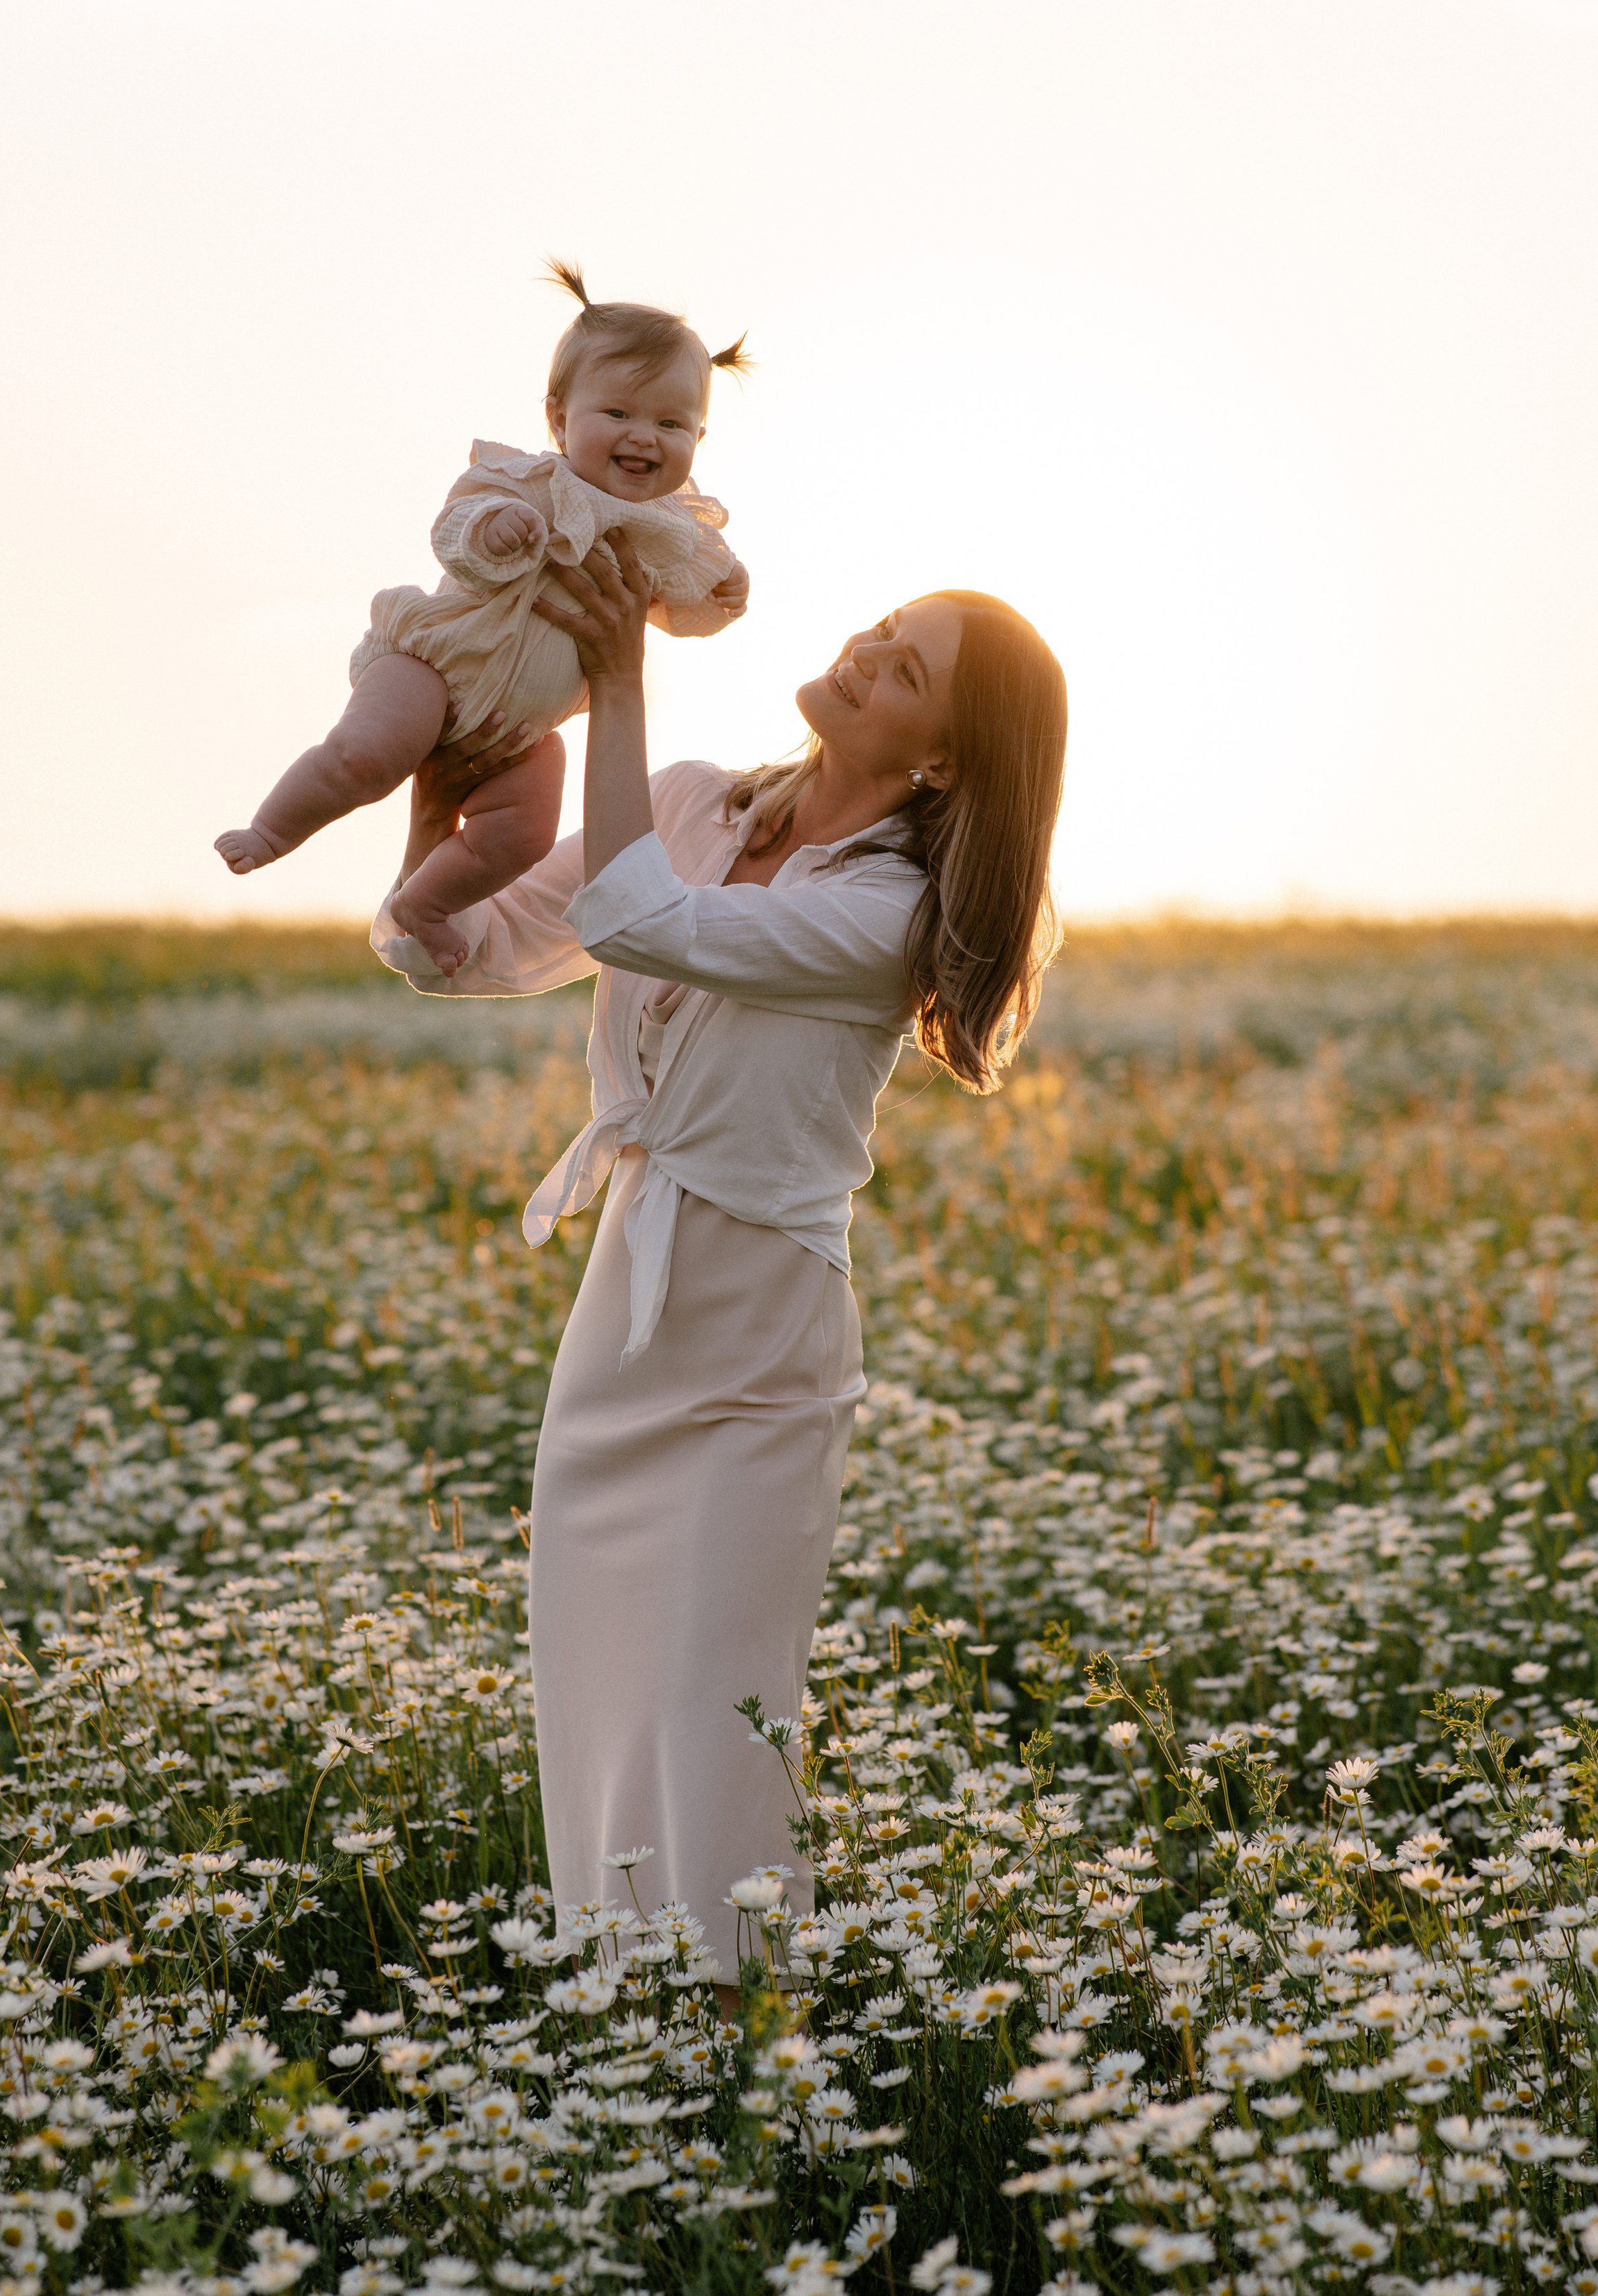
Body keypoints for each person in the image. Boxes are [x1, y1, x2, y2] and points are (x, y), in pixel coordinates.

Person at [373, 537, 1068, 2001]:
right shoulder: (685, 802)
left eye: (908, 668)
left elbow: (642, 920)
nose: (867, 651)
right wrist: (440, 852)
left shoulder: (884, 912)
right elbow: (478, 948)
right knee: (594, 1696)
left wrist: (616, 680)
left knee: (713, 1715)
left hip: (758, 1340)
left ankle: (742, 2039)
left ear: (944, 760)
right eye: (883, 624)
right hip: (621, 1313)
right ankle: (626, 2027)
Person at [215, 263, 752, 972]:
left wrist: (721, 594)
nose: (645, 437)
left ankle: (426, 903)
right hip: (435, 669)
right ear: (558, 418)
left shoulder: (670, 531)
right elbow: (455, 525)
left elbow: (679, 608)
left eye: (670, 423)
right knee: (365, 758)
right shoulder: (526, 482)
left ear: (699, 440)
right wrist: (491, 528)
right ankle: (272, 829)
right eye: (619, 414)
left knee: (524, 835)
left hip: (523, 732)